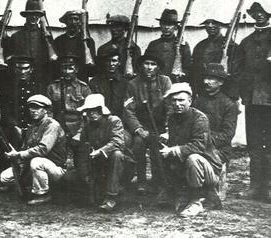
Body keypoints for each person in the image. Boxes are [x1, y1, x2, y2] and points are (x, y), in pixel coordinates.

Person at [158, 83, 223, 217]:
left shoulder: (200, 118)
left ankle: (195, 202)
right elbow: (177, 141)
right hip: (188, 166)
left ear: (190, 101)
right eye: (174, 100)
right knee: (163, 152)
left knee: (192, 158)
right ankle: (178, 193)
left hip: (208, 167)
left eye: (181, 100)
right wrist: (168, 140)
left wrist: (173, 149)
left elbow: (198, 146)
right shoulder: (173, 118)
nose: (177, 104)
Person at [231, 2, 271, 202]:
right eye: (255, 13)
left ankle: (269, 188)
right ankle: (255, 187)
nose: (259, 16)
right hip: (253, 101)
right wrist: (243, 93)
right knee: (254, 144)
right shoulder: (246, 42)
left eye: (262, 13)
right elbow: (237, 70)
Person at [0, 95, 67, 205]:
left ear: (45, 110)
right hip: (34, 167)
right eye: (31, 107)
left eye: (38, 108)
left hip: (56, 168)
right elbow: (25, 149)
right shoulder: (32, 127)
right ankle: (33, 186)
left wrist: (18, 155)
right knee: (5, 178)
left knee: (37, 162)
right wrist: (14, 157)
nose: (34, 111)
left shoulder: (52, 125)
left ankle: (43, 194)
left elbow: (43, 149)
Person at [122, 52, 172, 194]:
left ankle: (159, 181)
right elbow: (128, 110)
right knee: (138, 144)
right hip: (142, 125)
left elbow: (170, 107)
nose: (149, 67)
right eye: (146, 64)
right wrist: (138, 129)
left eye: (153, 64)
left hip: (160, 126)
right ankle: (141, 181)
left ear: (158, 67)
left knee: (159, 148)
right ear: (141, 66)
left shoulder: (165, 82)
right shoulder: (133, 84)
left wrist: (167, 129)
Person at [76, 94, 131, 212]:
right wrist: (84, 174)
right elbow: (82, 149)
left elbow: (117, 142)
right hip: (98, 165)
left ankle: (111, 197)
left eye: (95, 110)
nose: (92, 113)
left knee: (117, 154)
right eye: (89, 111)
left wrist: (100, 151)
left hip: (119, 163)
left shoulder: (114, 121)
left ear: (102, 110)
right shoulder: (87, 126)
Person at [192, 63, 237, 201]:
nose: (206, 82)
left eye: (211, 79)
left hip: (219, 148)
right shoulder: (198, 101)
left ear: (221, 82)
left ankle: (212, 187)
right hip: (198, 144)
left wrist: (206, 142)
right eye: (205, 78)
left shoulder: (228, 105)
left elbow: (227, 134)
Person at [7, 0, 53, 89]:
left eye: (36, 14)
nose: (33, 17)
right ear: (26, 16)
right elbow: (10, 63)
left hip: (42, 82)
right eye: (30, 14)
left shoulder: (46, 36)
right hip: (21, 83)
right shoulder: (16, 37)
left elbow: (51, 63)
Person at [46, 55, 92, 145]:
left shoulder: (84, 88)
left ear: (76, 70)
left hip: (78, 127)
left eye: (70, 68)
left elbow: (88, 113)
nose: (67, 72)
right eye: (64, 68)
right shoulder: (52, 87)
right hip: (57, 126)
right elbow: (48, 111)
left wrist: (80, 132)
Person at [1, 55, 46, 148]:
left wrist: (31, 127)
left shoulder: (38, 87)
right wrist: (14, 127)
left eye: (26, 68)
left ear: (31, 69)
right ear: (15, 69)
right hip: (13, 128)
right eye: (19, 68)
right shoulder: (8, 87)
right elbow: (5, 111)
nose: (22, 72)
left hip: (33, 127)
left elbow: (42, 111)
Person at [192, 19, 238, 97]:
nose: (210, 26)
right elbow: (195, 70)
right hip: (203, 91)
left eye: (214, 23)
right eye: (207, 23)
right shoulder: (200, 46)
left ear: (220, 25)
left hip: (225, 92)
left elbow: (237, 72)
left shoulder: (232, 46)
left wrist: (233, 94)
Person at [145, 9, 192, 82]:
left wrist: (182, 74)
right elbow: (146, 65)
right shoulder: (153, 44)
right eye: (164, 24)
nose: (166, 27)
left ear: (175, 26)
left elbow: (188, 67)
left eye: (170, 24)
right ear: (160, 25)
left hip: (175, 83)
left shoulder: (183, 45)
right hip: (156, 83)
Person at [53, 10, 96, 82]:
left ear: (80, 23)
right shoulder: (58, 41)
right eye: (70, 19)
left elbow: (91, 68)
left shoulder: (88, 41)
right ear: (66, 22)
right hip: (63, 80)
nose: (73, 22)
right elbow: (55, 65)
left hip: (81, 80)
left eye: (76, 19)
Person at [89, 47, 129, 119]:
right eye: (108, 61)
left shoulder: (126, 83)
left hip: (121, 120)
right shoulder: (94, 82)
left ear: (119, 62)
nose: (111, 64)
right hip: (101, 121)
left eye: (114, 61)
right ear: (104, 62)